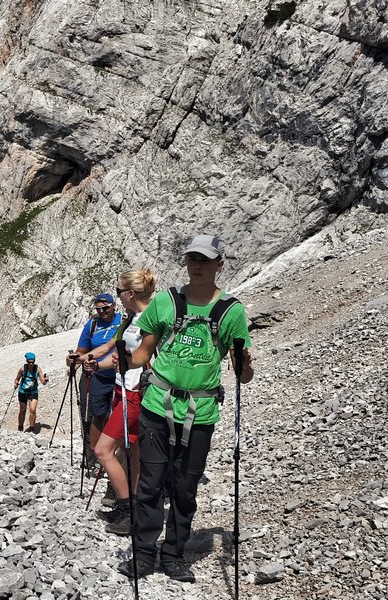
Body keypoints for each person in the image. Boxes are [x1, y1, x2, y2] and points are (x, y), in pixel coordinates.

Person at [117, 234, 254, 582]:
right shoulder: (166, 302)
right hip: (157, 406)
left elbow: (243, 373)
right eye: (193, 259)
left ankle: (174, 555)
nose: (198, 266)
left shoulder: (232, 311)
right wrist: (122, 361)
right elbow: (143, 354)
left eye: (205, 260)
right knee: (150, 484)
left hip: (201, 412)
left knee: (185, 486)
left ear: (219, 264)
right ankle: (144, 554)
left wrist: (245, 363)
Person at [80, 269, 157, 535]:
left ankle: (127, 508)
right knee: (131, 451)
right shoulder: (131, 318)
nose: (118, 297)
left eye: (119, 292)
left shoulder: (151, 319)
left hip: (135, 393)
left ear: (130, 294)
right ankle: (133, 506)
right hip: (122, 389)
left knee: (103, 450)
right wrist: (93, 363)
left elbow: (148, 358)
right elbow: (114, 354)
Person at [68, 293, 122, 464]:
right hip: (94, 375)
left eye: (105, 308)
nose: (102, 312)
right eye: (98, 309)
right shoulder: (91, 324)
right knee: (92, 415)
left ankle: (112, 454)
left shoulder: (123, 321)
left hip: (118, 376)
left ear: (114, 306)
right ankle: (92, 456)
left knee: (116, 416)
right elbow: (81, 350)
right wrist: (74, 360)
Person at [13, 352, 48, 432]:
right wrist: (16, 383)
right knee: (22, 410)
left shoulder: (38, 369)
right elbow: (17, 379)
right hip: (23, 391)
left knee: (32, 410)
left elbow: (43, 382)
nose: (31, 364)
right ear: (26, 361)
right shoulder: (22, 369)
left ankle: (32, 428)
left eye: (33, 362)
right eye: (29, 362)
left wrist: (46, 380)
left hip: (33, 391)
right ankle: (20, 427)